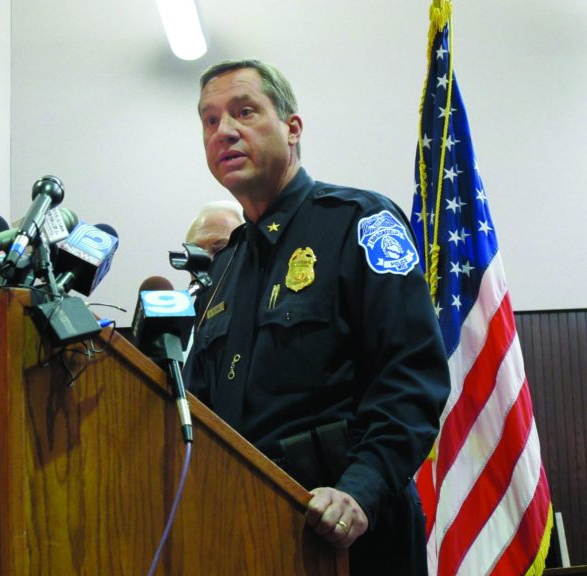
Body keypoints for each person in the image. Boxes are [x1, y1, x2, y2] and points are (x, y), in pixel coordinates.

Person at [183, 59, 450, 575]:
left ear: (292, 127)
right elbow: (200, 414)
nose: (225, 131)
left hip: (352, 532)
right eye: (210, 120)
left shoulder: (360, 223)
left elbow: (412, 377)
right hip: (244, 535)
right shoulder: (223, 269)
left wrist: (360, 491)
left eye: (244, 111)